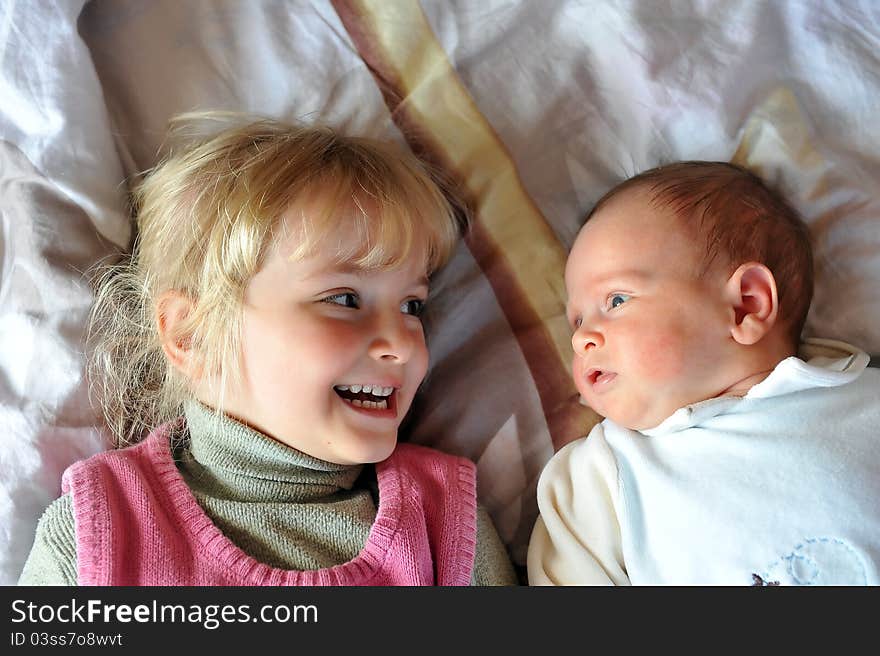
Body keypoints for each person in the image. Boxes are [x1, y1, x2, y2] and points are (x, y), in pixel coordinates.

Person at [19, 113, 516, 586]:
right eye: (344, 299)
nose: (403, 345)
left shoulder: (446, 524)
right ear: (192, 337)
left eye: (412, 305)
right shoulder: (101, 533)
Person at [527, 161, 880, 585]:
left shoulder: (863, 402)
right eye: (578, 321)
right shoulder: (600, 477)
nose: (582, 339)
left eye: (616, 300)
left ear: (745, 305)